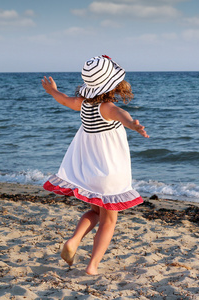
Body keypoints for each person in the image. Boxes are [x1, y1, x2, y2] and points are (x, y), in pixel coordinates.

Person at [42, 55, 149, 275]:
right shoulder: (107, 107)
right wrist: (133, 125)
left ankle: (73, 241)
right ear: (113, 84)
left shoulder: (83, 105)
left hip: (89, 170)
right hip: (109, 172)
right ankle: (92, 266)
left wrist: (52, 91)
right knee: (109, 220)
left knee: (96, 212)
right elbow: (123, 115)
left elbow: (63, 99)